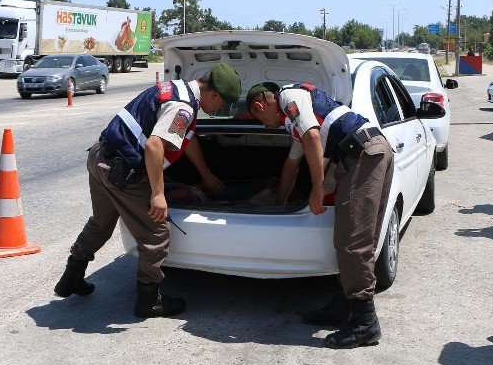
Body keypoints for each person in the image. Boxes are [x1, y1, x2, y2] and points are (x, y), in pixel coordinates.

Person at [53, 63, 241, 318]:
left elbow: (188, 139)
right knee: (156, 233)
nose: (221, 110)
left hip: (100, 157)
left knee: (101, 221)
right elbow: (154, 146)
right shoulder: (183, 108)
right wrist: (158, 194)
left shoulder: (178, 88)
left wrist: (205, 175)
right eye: (223, 104)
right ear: (215, 94)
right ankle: (149, 301)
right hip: (123, 171)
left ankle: (71, 277)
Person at [246, 81, 393, 349]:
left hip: (364, 153)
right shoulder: (295, 123)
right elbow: (291, 166)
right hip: (363, 153)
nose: (264, 125)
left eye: (259, 119)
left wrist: (316, 189)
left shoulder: (289, 97)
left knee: (353, 242)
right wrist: (280, 203)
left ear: (260, 105)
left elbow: (313, 136)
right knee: (351, 238)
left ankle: (365, 324)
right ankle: (342, 308)